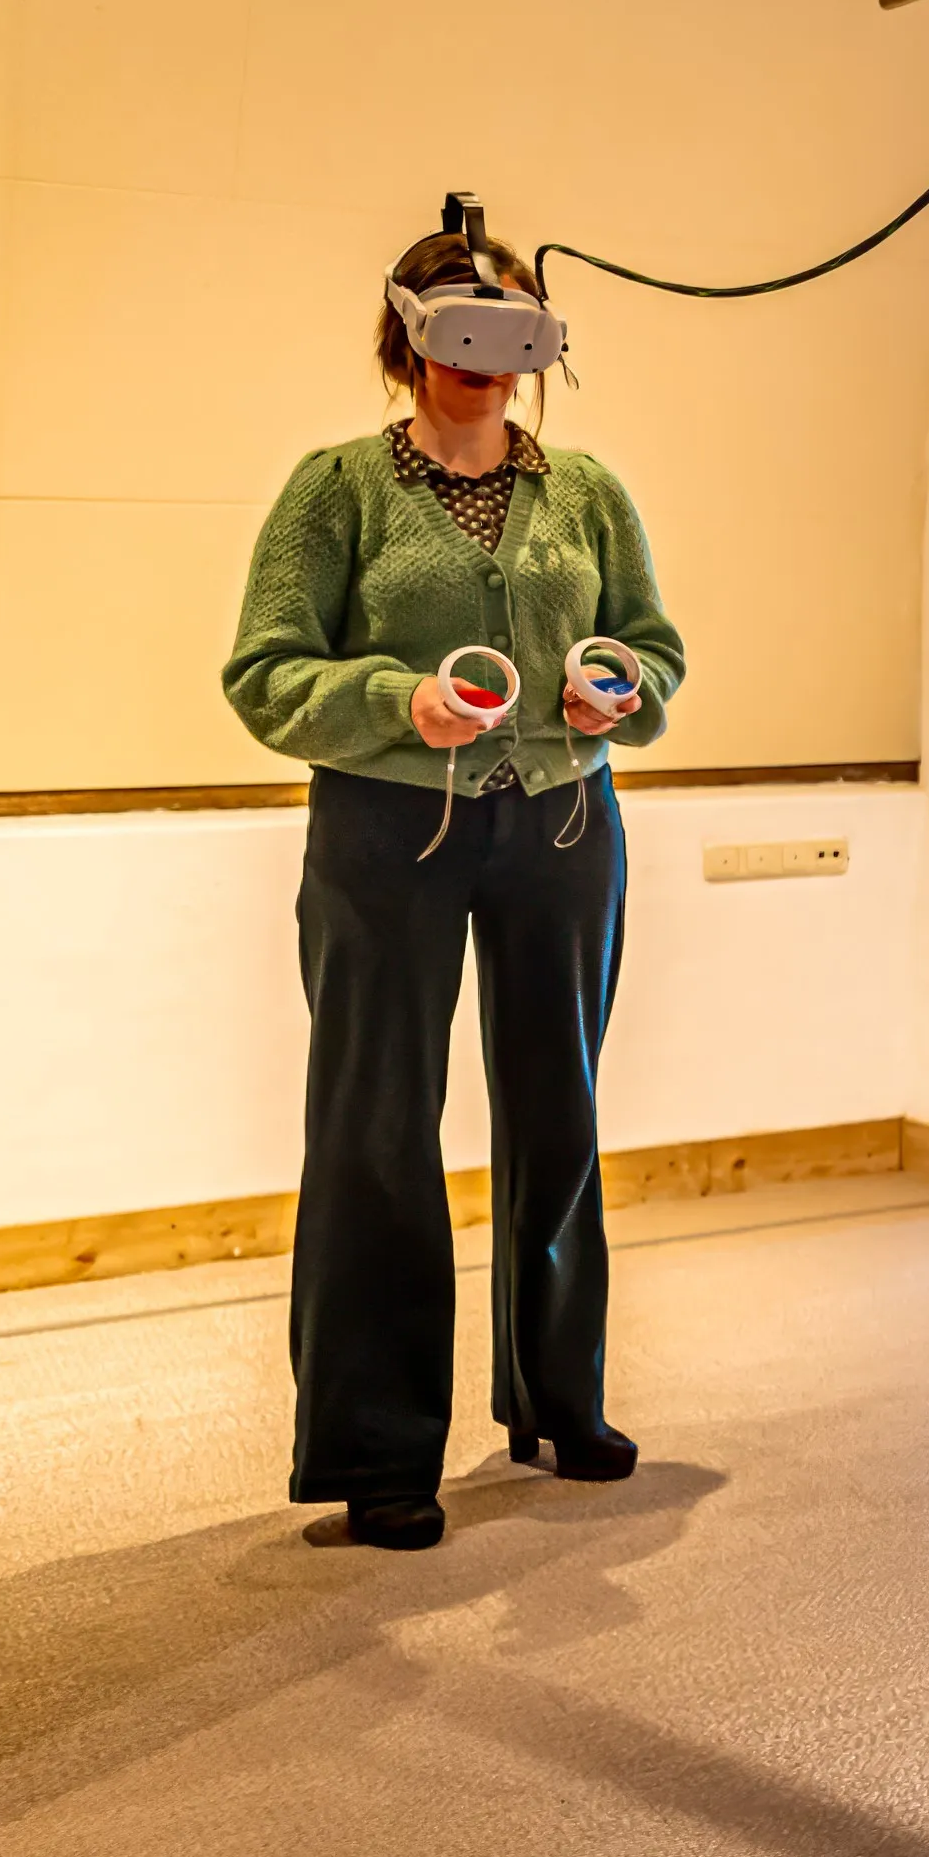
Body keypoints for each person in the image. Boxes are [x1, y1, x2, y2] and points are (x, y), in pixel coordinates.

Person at [224, 222, 685, 1552]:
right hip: (386, 834)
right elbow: (263, 674)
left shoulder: (587, 492)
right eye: (464, 330)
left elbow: (653, 650)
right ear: (411, 332)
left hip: (559, 827)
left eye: (515, 334)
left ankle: (558, 1396)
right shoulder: (339, 489)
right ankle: (378, 1452)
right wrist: (393, 701)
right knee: (375, 1129)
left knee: (561, 1112)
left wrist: (623, 690)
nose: (489, 363)